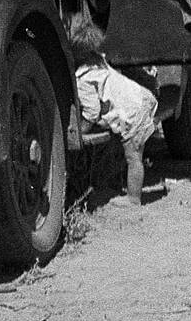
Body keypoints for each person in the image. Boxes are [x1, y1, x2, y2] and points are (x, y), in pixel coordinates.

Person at [67, 13, 159, 206]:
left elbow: (91, 112)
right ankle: (123, 188)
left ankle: (134, 199)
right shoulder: (97, 60)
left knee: (133, 156)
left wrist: (79, 131)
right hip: (138, 99)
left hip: (133, 111)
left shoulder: (83, 79)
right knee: (131, 153)